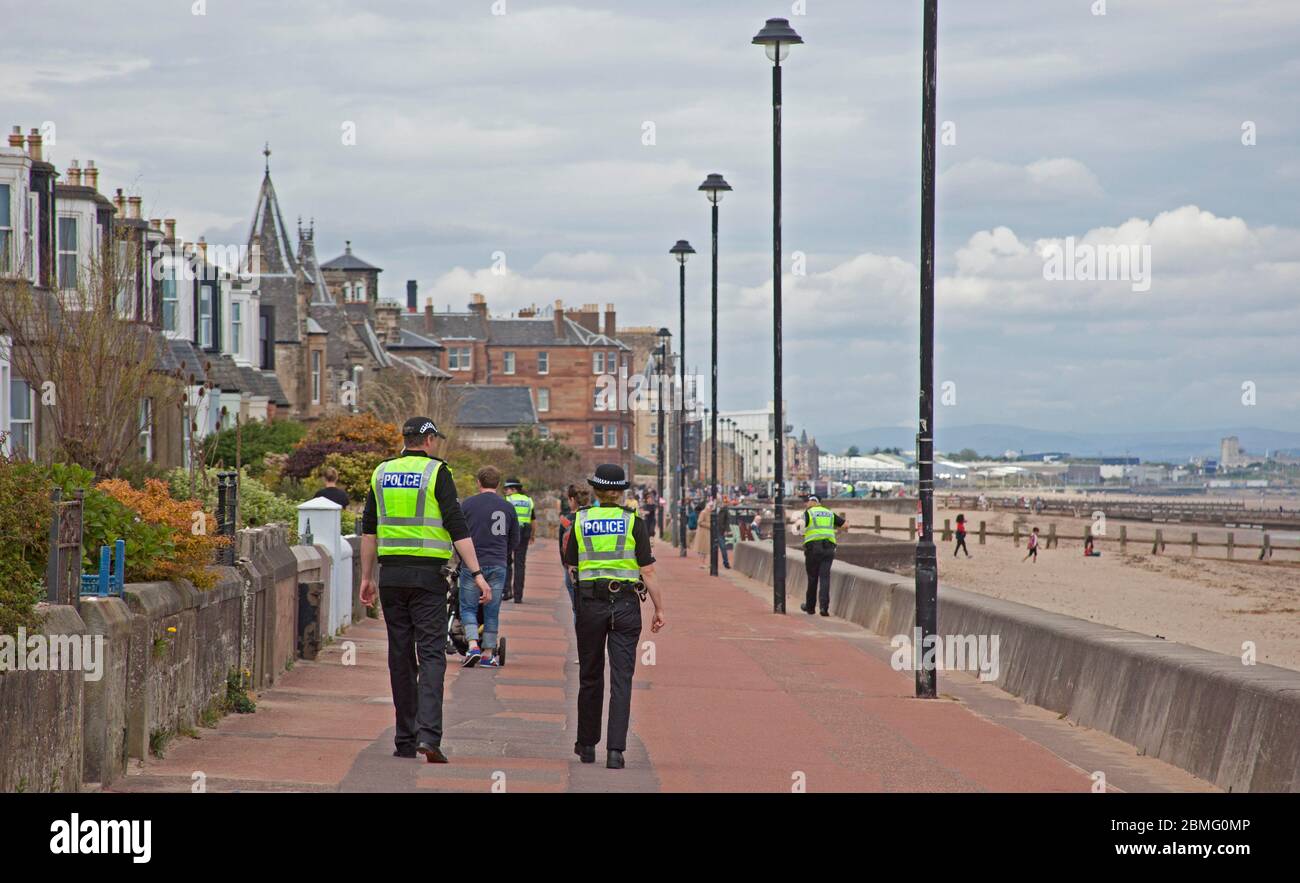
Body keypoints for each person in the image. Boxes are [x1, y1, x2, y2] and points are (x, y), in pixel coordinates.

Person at [359, 417, 494, 764]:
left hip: (391, 577)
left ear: (404, 439)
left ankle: (405, 739)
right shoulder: (437, 473)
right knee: (431, 653)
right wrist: (477, 573)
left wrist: (366, 577)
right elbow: (457, 526)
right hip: (428, 578)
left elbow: (369, 531)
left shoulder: (381, 472)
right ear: (429, 439)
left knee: (400, 655)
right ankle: (429, 736)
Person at [562, 464, 664, 769]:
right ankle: (616, 752)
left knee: (590, 675)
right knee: (622, 678)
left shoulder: (579, 520)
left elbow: (572, 567)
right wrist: (659, 609)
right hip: (626, 605)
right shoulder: (634, 522)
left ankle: (587, 745)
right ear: (620, 492)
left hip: (591, 605)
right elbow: (647, 570)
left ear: (595, 490)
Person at [457, 465, 519, 668]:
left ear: (478, 482)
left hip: (472, 564)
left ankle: (472, 645)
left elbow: (458, 534)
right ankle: (488, 653)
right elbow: (515, 539)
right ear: (498, 484)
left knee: (468, 606)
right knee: (492, 609)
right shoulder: (508, 507)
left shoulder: (468, 505)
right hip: (497, 564)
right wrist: (503, 554)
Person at [800, 495, 845, 616]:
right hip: (829, 547)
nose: (806, 504)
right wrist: (834, 531)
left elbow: (800, 530)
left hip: (813, 548)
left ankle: (810, 607)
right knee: (825, 577)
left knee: (813, 578)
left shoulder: (808, 513)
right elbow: (845, 525)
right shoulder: (829, 513)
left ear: (813, 501)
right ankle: (824, 608)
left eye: (808, 501)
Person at [502, 478, 535, 603]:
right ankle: (518, 596)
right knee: (520, 564)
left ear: (514, 489)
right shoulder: (528, 500)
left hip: (510, 532)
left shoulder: (508, 500)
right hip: (525, 531)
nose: (505, 492)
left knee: (506, 561)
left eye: (507, 489)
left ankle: (506, 591)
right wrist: (533, 535)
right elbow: (533, 520)